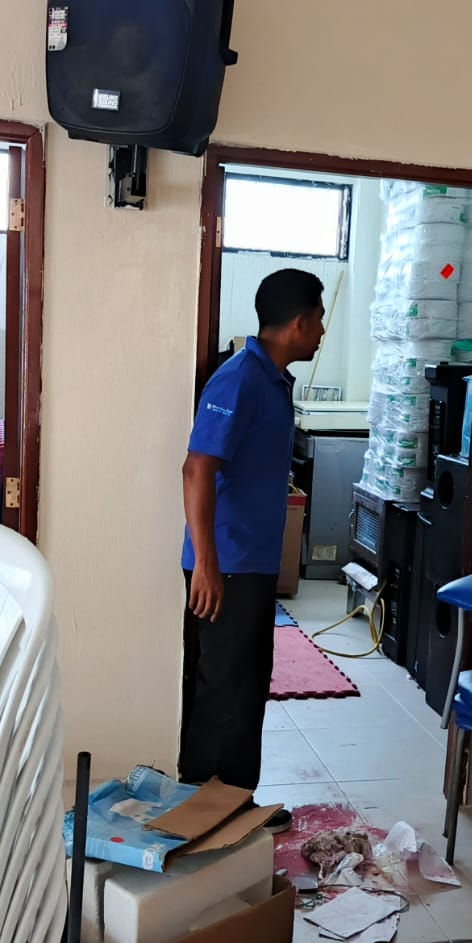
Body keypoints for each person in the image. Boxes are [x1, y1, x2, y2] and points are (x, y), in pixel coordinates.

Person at [181, 268, 326, 829]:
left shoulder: (273, 378)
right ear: (298, 324)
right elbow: (196, 468)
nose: (321, 333)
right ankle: (206, 813)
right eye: (318, 321)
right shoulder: (239, 379)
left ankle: (234, 807)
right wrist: (207, 565)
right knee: (223, 689)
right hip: (227, 566)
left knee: (243, 688)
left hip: (251, 563)